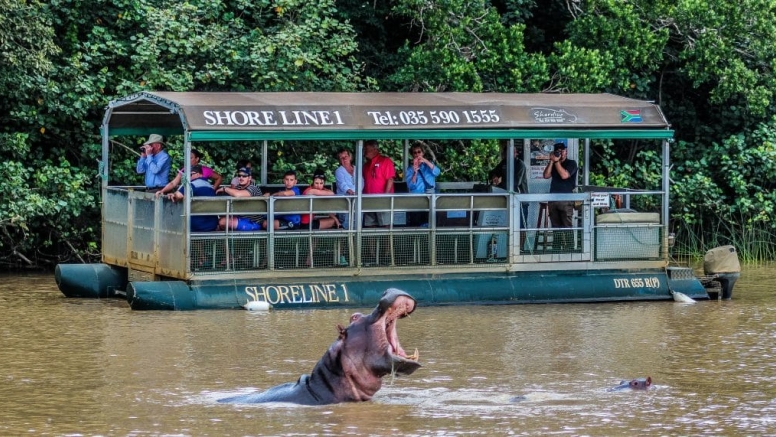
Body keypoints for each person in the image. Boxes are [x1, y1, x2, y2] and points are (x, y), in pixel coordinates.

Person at [543, 142, 578, 250]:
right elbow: (546, 175)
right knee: (555, 226)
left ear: (566, 151)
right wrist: (551, 161)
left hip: (566, 199)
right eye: (558, 151)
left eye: (562, 151)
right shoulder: (554, 163)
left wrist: (557, 162)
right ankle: (556, 248)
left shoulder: (571, 163)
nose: (560, 153)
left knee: (567, 225)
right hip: (553, 199)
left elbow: (564, 175)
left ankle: (570, 249)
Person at [165, 165, 218, 232]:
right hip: (212, 225)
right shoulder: (210, 186)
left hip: (195, 226)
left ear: (198, 174)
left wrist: (173, 194)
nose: (189, 177)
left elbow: (178, 195)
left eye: (191, 174)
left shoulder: (192, 185)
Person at [155, 148, 223, 197]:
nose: (188, 160)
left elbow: (219, 177)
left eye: (191, 158)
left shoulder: (205, 169)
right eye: (187, 158)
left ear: (197, 159)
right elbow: (173, 183)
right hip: (189, 197)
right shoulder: (184, 170)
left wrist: (213, 189)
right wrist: (162, 191)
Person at [215, 166, 263, 231]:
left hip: (253, 223)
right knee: (215, 223)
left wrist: (225, 188)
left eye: (244, 176)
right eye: (239, 175)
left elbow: (238, 195)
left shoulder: (253, 187)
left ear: (249, 178)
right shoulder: (239, 187)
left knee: (223, 222)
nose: (241, 178)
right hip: (240, 218)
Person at [405, 144, 441, 226]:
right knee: (416, 222)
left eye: (419, 152)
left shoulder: (429, 165)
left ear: (423, 153)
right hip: (416, 199)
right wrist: (415, 172)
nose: (417, 154)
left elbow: (437, 172)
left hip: (430, 198)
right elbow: (411, 186)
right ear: (412, 155)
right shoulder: (410, 169)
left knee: (430, 222)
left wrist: (425, 161)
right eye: (415, 153)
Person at [362, 140, 396, 227]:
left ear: (374, 149)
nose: (364, 151)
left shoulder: (385, 161)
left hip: (382, 200)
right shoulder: (366, 165)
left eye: (367, 149)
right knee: (370, 229)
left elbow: (390, 179)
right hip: (368, 200)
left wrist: (385, 196)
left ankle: (388, 242)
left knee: (386, 227)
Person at [334, 148, 360, 230]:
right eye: (342, 158)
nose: (345, 159)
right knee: (345, 223)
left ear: (350, 157)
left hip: (357, 200)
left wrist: (357, 192)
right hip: (344, 201)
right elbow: (342, 184)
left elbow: (361, 182)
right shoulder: (339, 171)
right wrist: (351, 192)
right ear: (339, 160)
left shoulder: (357, 169)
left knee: (358, 221)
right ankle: (345, 241)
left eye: (346, 156)